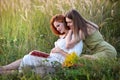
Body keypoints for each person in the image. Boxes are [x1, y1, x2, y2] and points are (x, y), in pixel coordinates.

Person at [0, 14, 83, 74]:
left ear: (64, 22)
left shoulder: (75, 38)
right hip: (51, 58)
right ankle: (4, 68)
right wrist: (45, 54)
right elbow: (56, 53)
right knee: (32, 54)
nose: (57, 29)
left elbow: (74, 59)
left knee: (28, 58)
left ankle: (6, 72)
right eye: (56, 27)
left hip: (58, 63)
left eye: (58, 25)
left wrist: (60, 51)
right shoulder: (63, 37)